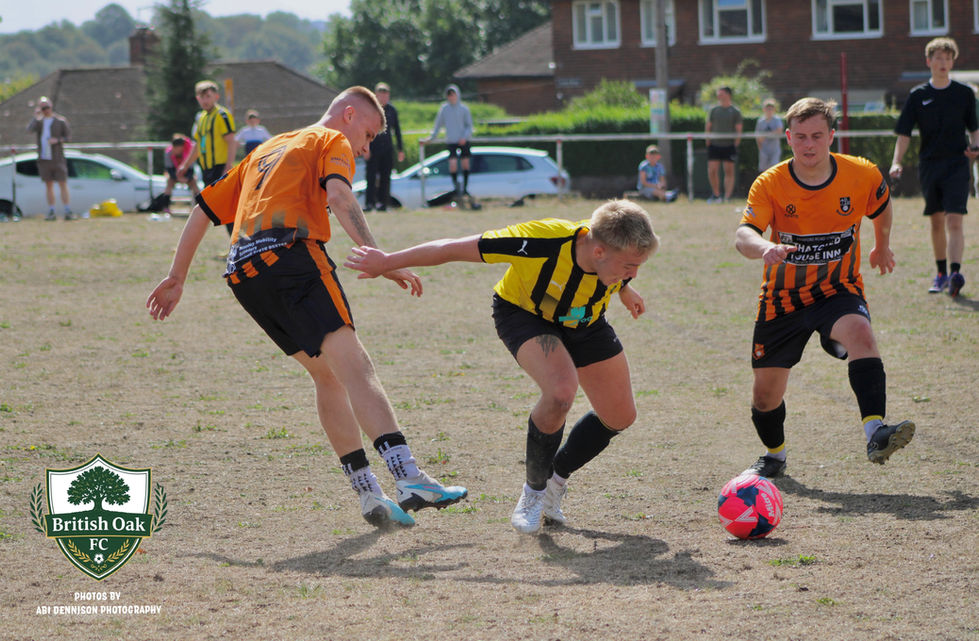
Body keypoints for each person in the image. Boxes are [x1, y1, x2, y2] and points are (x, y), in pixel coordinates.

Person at [146, 86, 467, 529]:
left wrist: (177, 276)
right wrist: (385, 260)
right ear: (349, 115)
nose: (366, 148)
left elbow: (202, 209)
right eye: (368, 135)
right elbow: (340, 197)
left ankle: (368, 493)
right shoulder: (331, 140)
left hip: (244, 274)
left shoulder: (267, 149)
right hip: (292, 257)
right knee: (356, 368)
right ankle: (409, 477)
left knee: (327, 376)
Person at [345, 200, 659, 535]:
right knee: (560, 393)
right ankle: (533, 492)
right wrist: (387, 261)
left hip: (584, 322)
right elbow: (452, 248)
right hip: (526, 315)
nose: (634, 273)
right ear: (598, 251)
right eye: (630, 267)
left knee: (620, 415)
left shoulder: (607, 248)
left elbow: (610, 265)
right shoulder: (541, 241)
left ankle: (554, 481)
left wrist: (624, 288)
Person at [735, 97, 915, 480]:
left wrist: (882, 245)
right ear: (788, 137)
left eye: (817, 135)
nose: (809, 144)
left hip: (838, 288)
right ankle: (775, 455)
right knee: (765, 397)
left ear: (832, 136)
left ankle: (876, 432)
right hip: (782, 300)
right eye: (800, 136)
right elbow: (744, 234)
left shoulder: (861, 174)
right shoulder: (770, 183)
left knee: (861, 332)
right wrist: (765, 247)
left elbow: (882, 205)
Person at [890, 37, 979, 297]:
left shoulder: (964, 93)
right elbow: (904, 133)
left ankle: (955, 273)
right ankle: (941, 274)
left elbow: (975, 129)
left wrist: (975, 147)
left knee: (954, 220)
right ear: (928, 61)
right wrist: (896, 161)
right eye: (938, 58)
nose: (943, 62)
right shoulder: (918, 95)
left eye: (948, 58)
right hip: (930, 165)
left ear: (953, 62)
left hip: (957, 164)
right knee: (937, 221)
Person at [26, 96, 72, 220]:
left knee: (62, 183)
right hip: (44, 159)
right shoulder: (39, 122)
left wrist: (57, 140)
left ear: (51, 106)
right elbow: (29, 130)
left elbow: (68, 137)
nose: (46, 110)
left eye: (47, 107)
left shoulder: (60, 121)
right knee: (49, 185)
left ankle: (67, 210)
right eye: (43, 108)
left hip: (57, 158)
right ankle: (51, 211)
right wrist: (35, 117)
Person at [364, 82, 405, 212]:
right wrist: (366, 147)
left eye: (386, 95)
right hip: (373, 148)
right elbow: (365, 130)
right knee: (371, 177)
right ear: (376, 95)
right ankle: (369, 203)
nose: (383, 97)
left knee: (385, 177)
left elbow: (397, 131)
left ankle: (383, 203)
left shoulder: (392, 110)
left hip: (387, 148)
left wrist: (400, 149)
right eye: (381, 95)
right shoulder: (371, 110)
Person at [428, 84, 474, 197]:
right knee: (453, 163)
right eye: (449, 95)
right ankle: (456, 187)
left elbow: (469, 126)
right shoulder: (444, 109)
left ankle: (465, 188)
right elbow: (438, 125)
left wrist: (464, 137)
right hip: (451, 141)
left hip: (463, 140)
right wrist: (432, 137)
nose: (451, 97)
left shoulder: (464, 109)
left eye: (453, 95)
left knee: (465, 163)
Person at [705, 86, 743, 203]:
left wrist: (736, 143)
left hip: (729, 145)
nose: (719, 96)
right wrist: (708, 140)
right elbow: (708, 126)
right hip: (715, 145)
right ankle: (716, 195)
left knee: (729, 171)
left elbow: (738, 129)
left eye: (721, 94)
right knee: (712, 170)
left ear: (728, 95)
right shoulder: (714, 110)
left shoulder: (735, 111)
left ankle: (727, 197)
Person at [161, 134, 200, 212]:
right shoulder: (168, 153)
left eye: (180, 150)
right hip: (174, 174)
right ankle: (165, 207)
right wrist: (178, 178)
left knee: (194, 184)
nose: (178, 152)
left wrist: (187, 178)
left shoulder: (189, 152)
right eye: (176, 149)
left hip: (187, 174)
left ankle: (200, 205)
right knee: (169, 183)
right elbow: (169, 169)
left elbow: (191, 170)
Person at [755, 99, 783, 173]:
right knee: (764, 171)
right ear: (764, 109)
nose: (769, 111)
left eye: (771, 109)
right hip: (764, 150)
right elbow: (758, 136)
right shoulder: (760, 121)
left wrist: (766, 135)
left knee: (774, 170)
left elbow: (779, 131)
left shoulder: (777, 120)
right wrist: (760, 148)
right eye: (767, 109)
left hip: (774, 150)